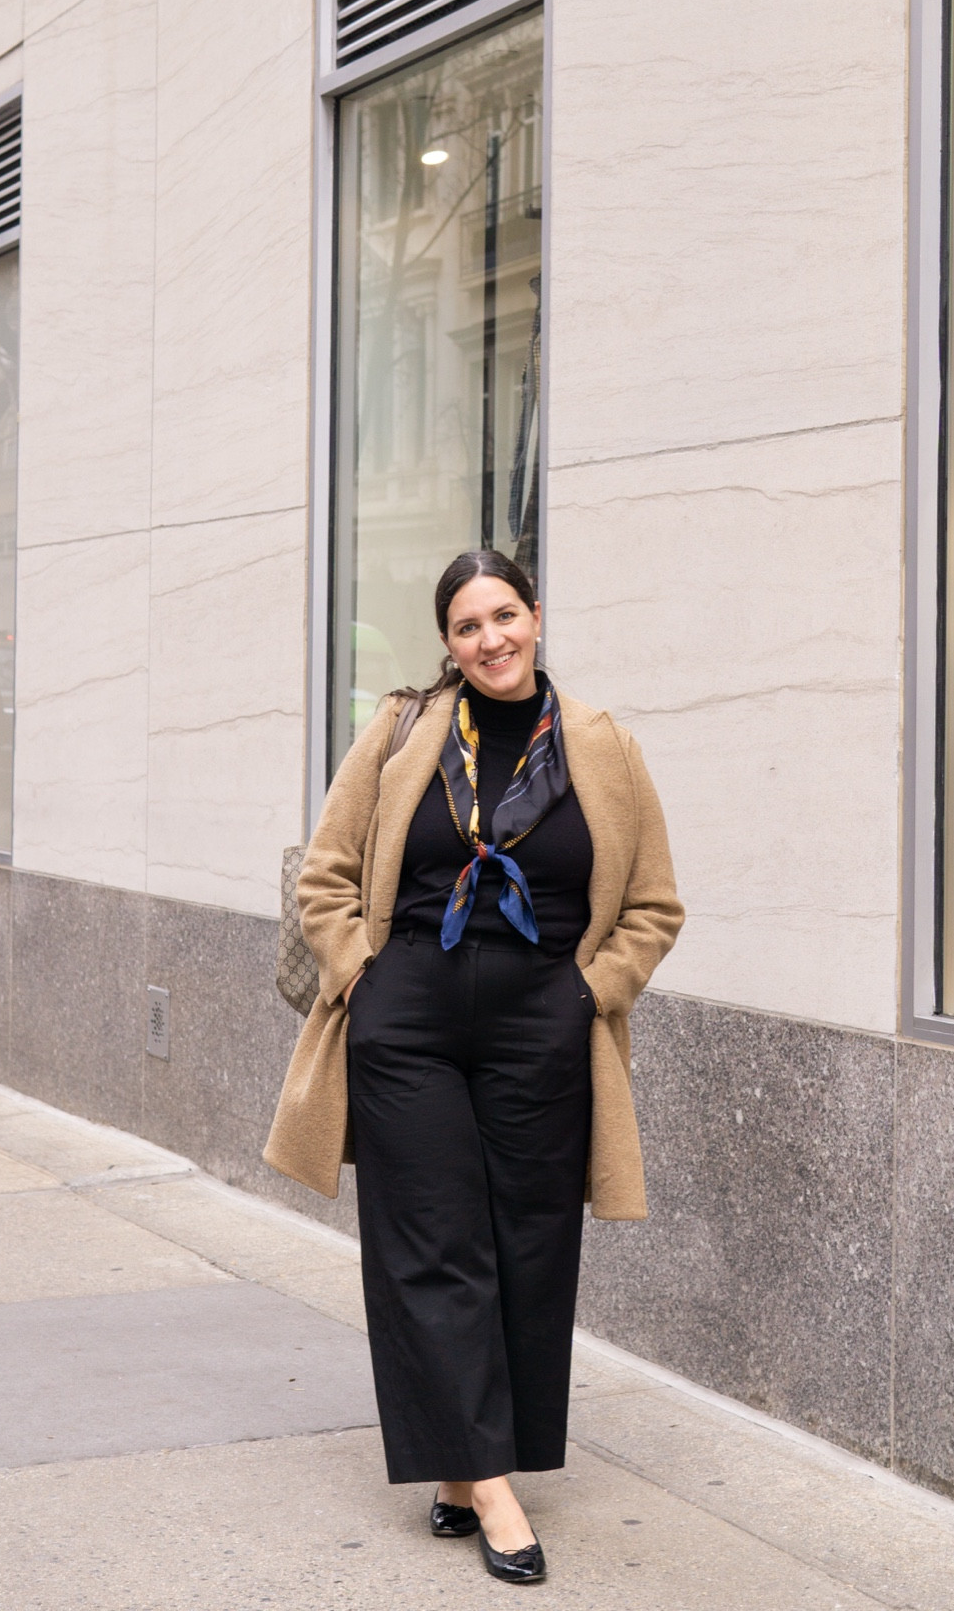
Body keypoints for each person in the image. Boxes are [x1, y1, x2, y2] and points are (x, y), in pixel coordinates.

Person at [265, 550, 683, 1583]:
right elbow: (324, 875)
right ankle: (492, 1487)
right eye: (466, 624)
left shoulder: (601, 744)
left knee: (526, 1246)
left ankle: (463, 1465)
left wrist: (591, 991)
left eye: (504, 614)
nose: (489, 638)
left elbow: (654, 906)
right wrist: (363, 973)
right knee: (432, 1240)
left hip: (544, 1020)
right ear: (445, 640)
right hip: (406, 1014)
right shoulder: (401, 730)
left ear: (536, 616)